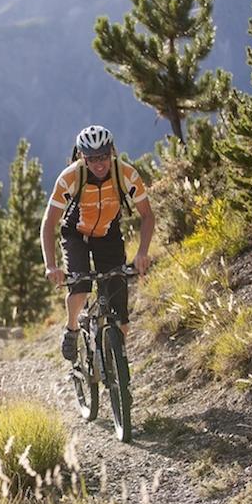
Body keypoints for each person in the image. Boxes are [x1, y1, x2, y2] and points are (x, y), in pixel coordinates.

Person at [39, 125, 154, 361]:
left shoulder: (126, 175)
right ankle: (72, 329)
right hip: (76, 234)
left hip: (108, 235)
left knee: (121, 318)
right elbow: (48, 222)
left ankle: (117, 376)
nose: (99, 164)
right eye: (92, 159)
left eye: (103, 156)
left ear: (112, 151)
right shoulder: (71, 177)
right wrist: (50, 265)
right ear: (82, 156)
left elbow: (148, 215)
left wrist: (142, 252)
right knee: (80, 289)